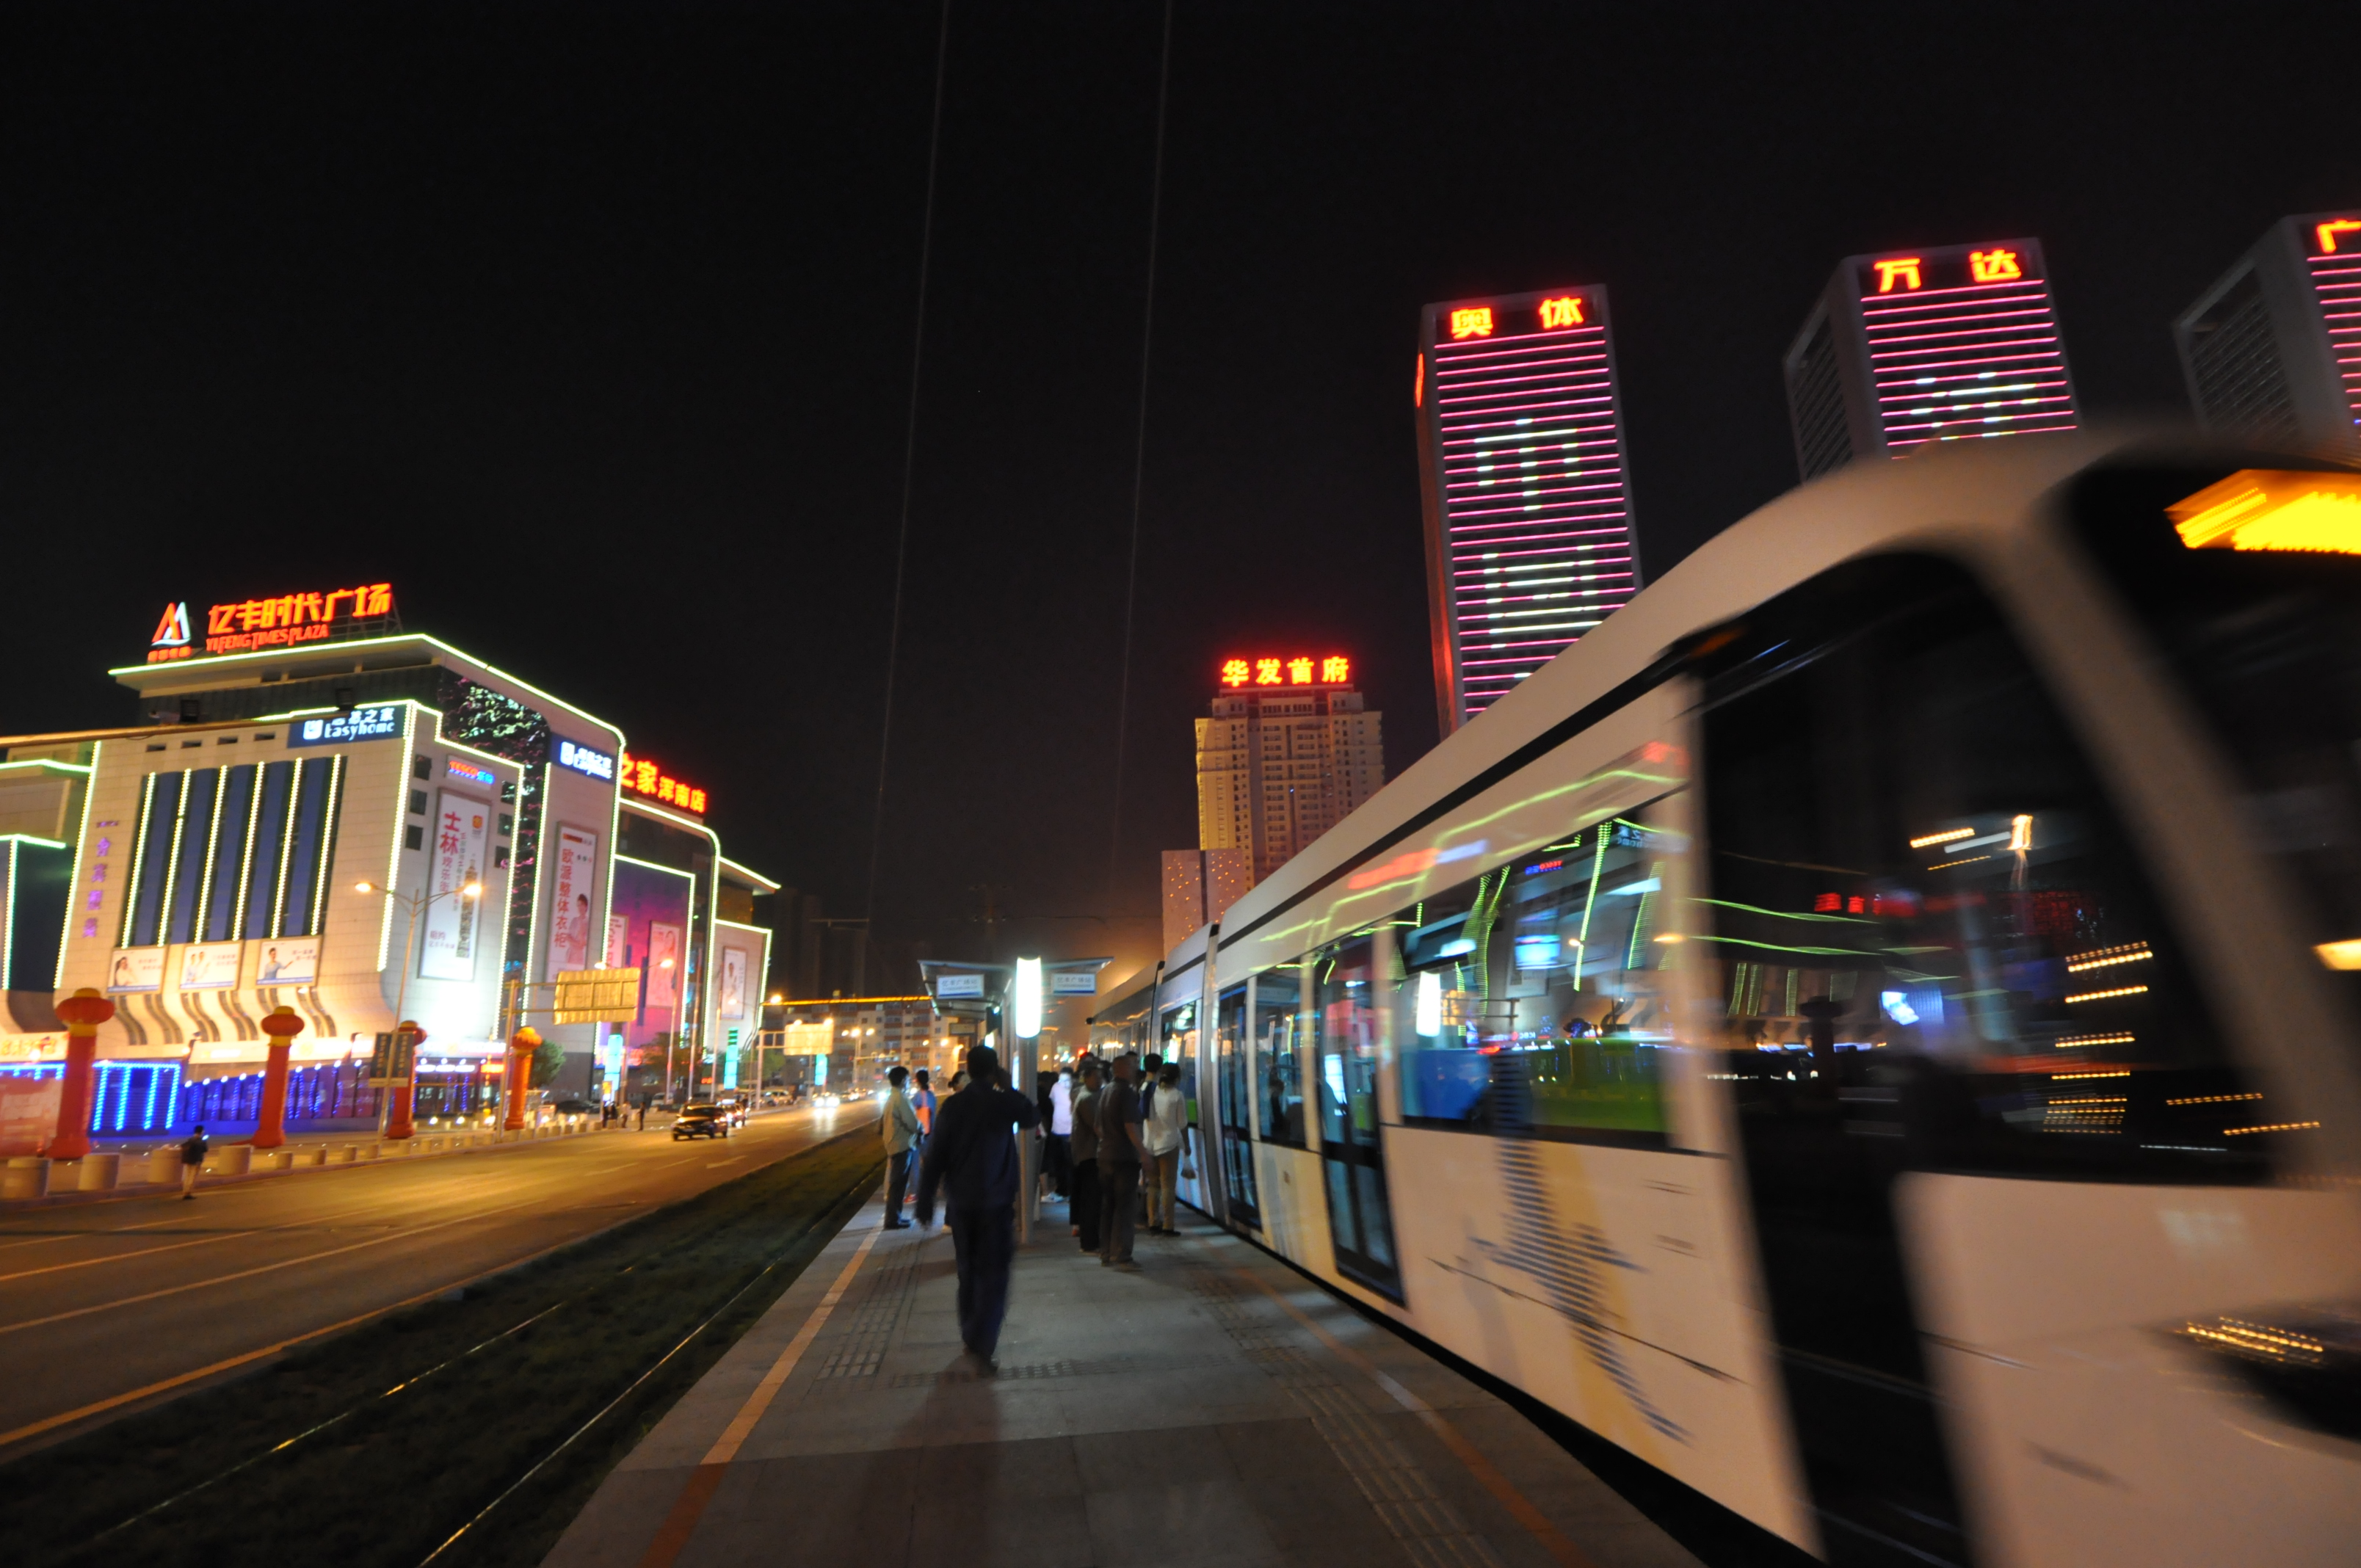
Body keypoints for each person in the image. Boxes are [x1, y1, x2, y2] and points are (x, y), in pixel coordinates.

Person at [914, 1045, 1040, 1370]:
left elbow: (937, 1152)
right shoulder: (1002, 1102)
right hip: (996, 1204)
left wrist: (926, 1200)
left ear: (968, 1070)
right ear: (994, 1069)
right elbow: (1031, 1117)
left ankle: (971, 1335)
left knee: (968, 1271)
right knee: (994, 1274)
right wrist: (1009, 1086)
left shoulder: (953, 1106)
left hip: (962, 1205)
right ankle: (983, 1343)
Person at [1096, 1053, 1147, 1271]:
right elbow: (1131, 1126)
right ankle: (1123, 1256)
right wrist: (1144, 1153)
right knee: (1125, 1208)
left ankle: (1106, 1252)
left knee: (1108, 1206)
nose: (1136, 1069)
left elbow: (1098, 1127)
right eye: (1134, 1065)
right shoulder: (1126, 1092)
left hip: (1105, 1156)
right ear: (1124, 1069)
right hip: (1124, 1158)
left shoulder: (1106, 1090)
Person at [1144, 1061, 1187, 1235]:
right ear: (1177, 1078)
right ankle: (1168, 1226)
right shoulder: (1177, 1096)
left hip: (1150, 1145)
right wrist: (1187, 1145)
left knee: (1153, 1186)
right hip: (1169, 1145)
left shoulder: (1151, 1093)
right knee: (1168, 1186)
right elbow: (1182, 1123)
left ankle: (1153, 1222)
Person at [880, 1066, 921, 1228]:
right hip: (902, 1146)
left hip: (894, 1144)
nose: (910, 1082)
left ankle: (895, 1217)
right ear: (903, 1080)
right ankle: (892, 1220)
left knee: (897, 1184)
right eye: (909, 1079)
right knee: (898, 1185)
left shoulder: (892, 1098)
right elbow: (912, 1123)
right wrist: (921, 1129)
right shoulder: (901, 1099)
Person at [1069, 1057, 1103, 1249]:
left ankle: (1089, 1239)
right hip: (1089, 1155)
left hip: (1085, 1154)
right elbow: (1096, 1127)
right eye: (1096, 1077)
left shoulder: (1085, 1095)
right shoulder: (1086, 1098)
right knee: (1091, 1200)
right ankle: (1090, 1241)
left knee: (1090, 1199)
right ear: (1086, 1078)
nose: (1099, 1081)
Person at [178, 1123, 208, 1199]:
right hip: (196, 1161)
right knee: (192, 1177)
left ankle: (185, 1192)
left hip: (188, 1160)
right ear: (202, 1132)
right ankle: (188, 1193)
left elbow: (182, 1147)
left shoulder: (190, 1140)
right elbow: (205, 1150)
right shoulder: (201, 1141)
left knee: (187, 1176)